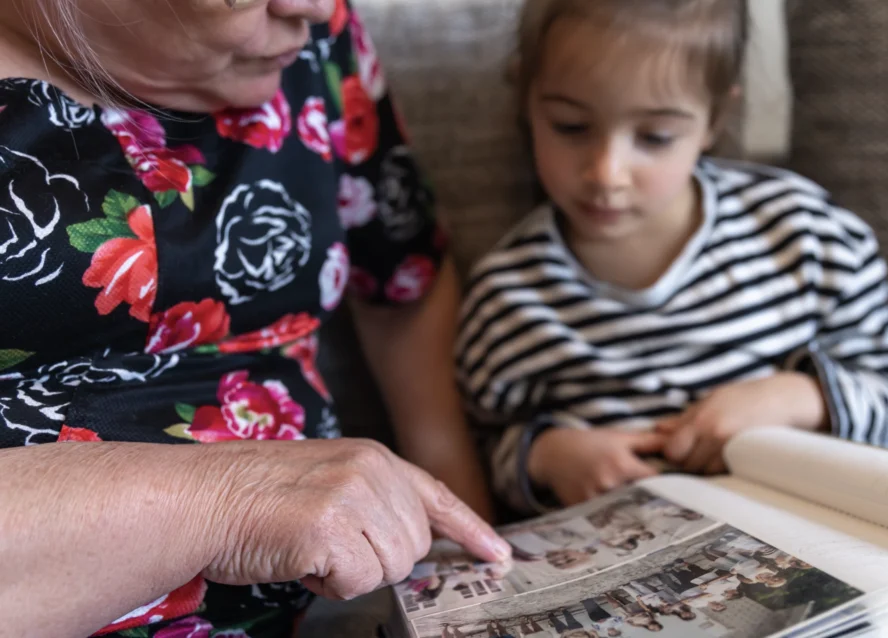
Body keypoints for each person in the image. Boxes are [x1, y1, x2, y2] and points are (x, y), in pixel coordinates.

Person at [0, 0, 512, 635]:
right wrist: (230, 502)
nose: (316, 6)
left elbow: (402, 280)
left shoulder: (306, 43)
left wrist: (475, 548)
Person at [455, 0, 888, 512]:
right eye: (571, 126)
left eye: (655, 137)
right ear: (527, 101)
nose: (607, 173)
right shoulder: (508, 299)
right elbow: (477, 453)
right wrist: (544, 457)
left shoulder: (806, 238)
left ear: (713, 120)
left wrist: (799, 398)